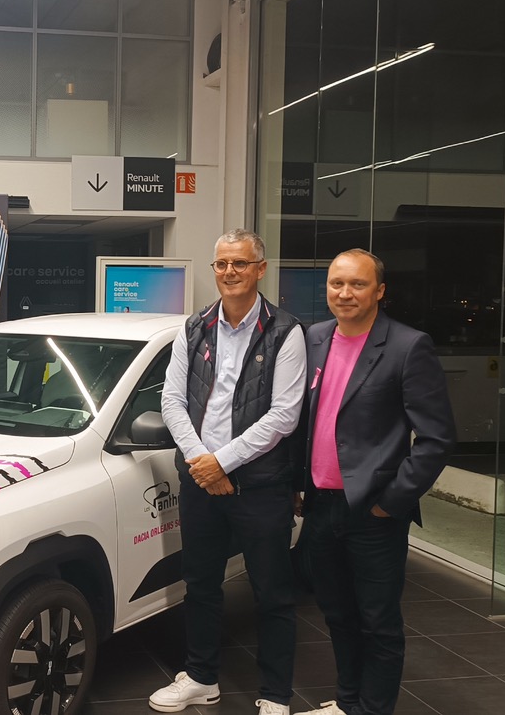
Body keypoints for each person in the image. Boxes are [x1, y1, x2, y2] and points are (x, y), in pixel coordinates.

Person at [293, 249, 456, 715]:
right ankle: (348, 704)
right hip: (321, 505)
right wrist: (298, 482)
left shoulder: (408, 346)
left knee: (378, 622)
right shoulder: (314, 338)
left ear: (380, 291)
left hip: (374, 510)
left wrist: (392, 501)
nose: (345, 293)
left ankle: (373, 708)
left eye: (358, 284)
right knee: (337, 614)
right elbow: (303, 419)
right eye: (337, 283)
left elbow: (437, 438)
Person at [150, 229, 306, 715]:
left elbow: (284, 415)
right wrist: (203, 461)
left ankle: (276, 694)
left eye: (240, 263)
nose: (229, 272)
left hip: (260, 485)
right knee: (200, 584)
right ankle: (201, 678)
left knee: (272, 593)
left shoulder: (286, 332)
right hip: (202, 481)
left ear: (260, 269)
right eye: (221, 264)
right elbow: (171, 400)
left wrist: (224, 461)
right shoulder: (194, 327)